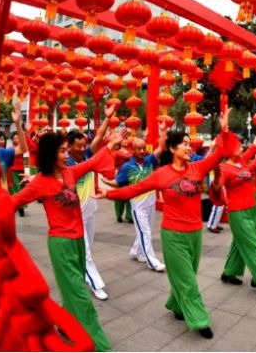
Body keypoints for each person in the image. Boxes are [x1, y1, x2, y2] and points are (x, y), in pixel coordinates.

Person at [95, 108, 237, 340]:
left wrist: (224, 129)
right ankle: (200, 319)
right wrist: (108, 194)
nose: (189, 147)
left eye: (189, 144)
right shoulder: (162, 174)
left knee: (187, 274)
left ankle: (176, 304)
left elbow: (221, 153)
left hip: (195, 233)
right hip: (173, 235)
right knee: (188, 281)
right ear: (172, 149)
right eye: (184, 144)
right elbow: (134, 189)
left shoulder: (198, 168)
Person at [11, 129, 125, 352]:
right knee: (81, 296)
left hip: (78, 241)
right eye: (62, 151)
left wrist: (111, 144)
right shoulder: (40, 183)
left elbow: (92, 163)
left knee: (74, 288)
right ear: (50, 154)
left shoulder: (69, 173)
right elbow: (12, 202)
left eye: (66, 150)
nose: (67, 154)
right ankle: (100, 345)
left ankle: (66, 324)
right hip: (61, 245)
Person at [216, 114, 256, 295]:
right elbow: (218, 186)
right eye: (237, 146)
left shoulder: (242, 161)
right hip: (237, 213)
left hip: (250, 208)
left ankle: (229, 272)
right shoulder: (224, 168)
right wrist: (224, 129)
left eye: (240, 145)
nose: (241, 148)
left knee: (239, 243)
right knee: (254, 244)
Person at [66, 104, 116, 301]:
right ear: (69, 147)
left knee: (88, 248)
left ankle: (80, 272)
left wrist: (107, 117)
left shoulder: (87, 155)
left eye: (83, 145)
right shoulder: (66, 165)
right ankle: (96, 285)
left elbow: (98, 138)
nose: (82, 149)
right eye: (77, 146)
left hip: (90, 210)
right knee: (86, 251)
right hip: (75, 214)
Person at [102, 126, 167, 272]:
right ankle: (152, 261)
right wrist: (107, 182)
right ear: (133, 149)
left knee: (146, 230)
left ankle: (135, 251)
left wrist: (163, 131)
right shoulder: (127, 167)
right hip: (138, 206)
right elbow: (118, 182)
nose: (142, 151)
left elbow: (161, 147)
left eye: (144, 148)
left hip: (151, 203)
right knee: (145, 233)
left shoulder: (149, 160)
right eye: (139, 149)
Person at [0, 106, 27, 193]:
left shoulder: (2, 152)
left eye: (1, 139)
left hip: (1, 194)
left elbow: (23, 149)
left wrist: (18, 125)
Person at [112, 138, 133, 223]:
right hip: (120, 175)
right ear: (120, 142)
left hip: (130, 175)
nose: (125, 141)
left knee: (130, 195)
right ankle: (119, 215)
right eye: (123, 140)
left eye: (126, 140)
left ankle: (130, 216)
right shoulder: (117, 153)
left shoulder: (132, 152)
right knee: (119, 195)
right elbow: (115, 165)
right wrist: (115, 176)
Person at [8, 133, 27, 217]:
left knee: (23, 189)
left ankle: (21, 205)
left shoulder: (23, 148)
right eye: (15, 138)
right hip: (13, 171)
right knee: (17, 188)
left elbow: (26, 159)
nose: (16, 139)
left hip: (22, 170)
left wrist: (27, 171)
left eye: (18, 138)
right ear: (12, 140)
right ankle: (20, 207)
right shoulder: (10, 149)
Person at [206, 167, 226, 234]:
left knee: (219, 209)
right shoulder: (217, 171)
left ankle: (214, 224)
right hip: (217, 185)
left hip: (219, 183)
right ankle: (211, 226)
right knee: (217, 208)